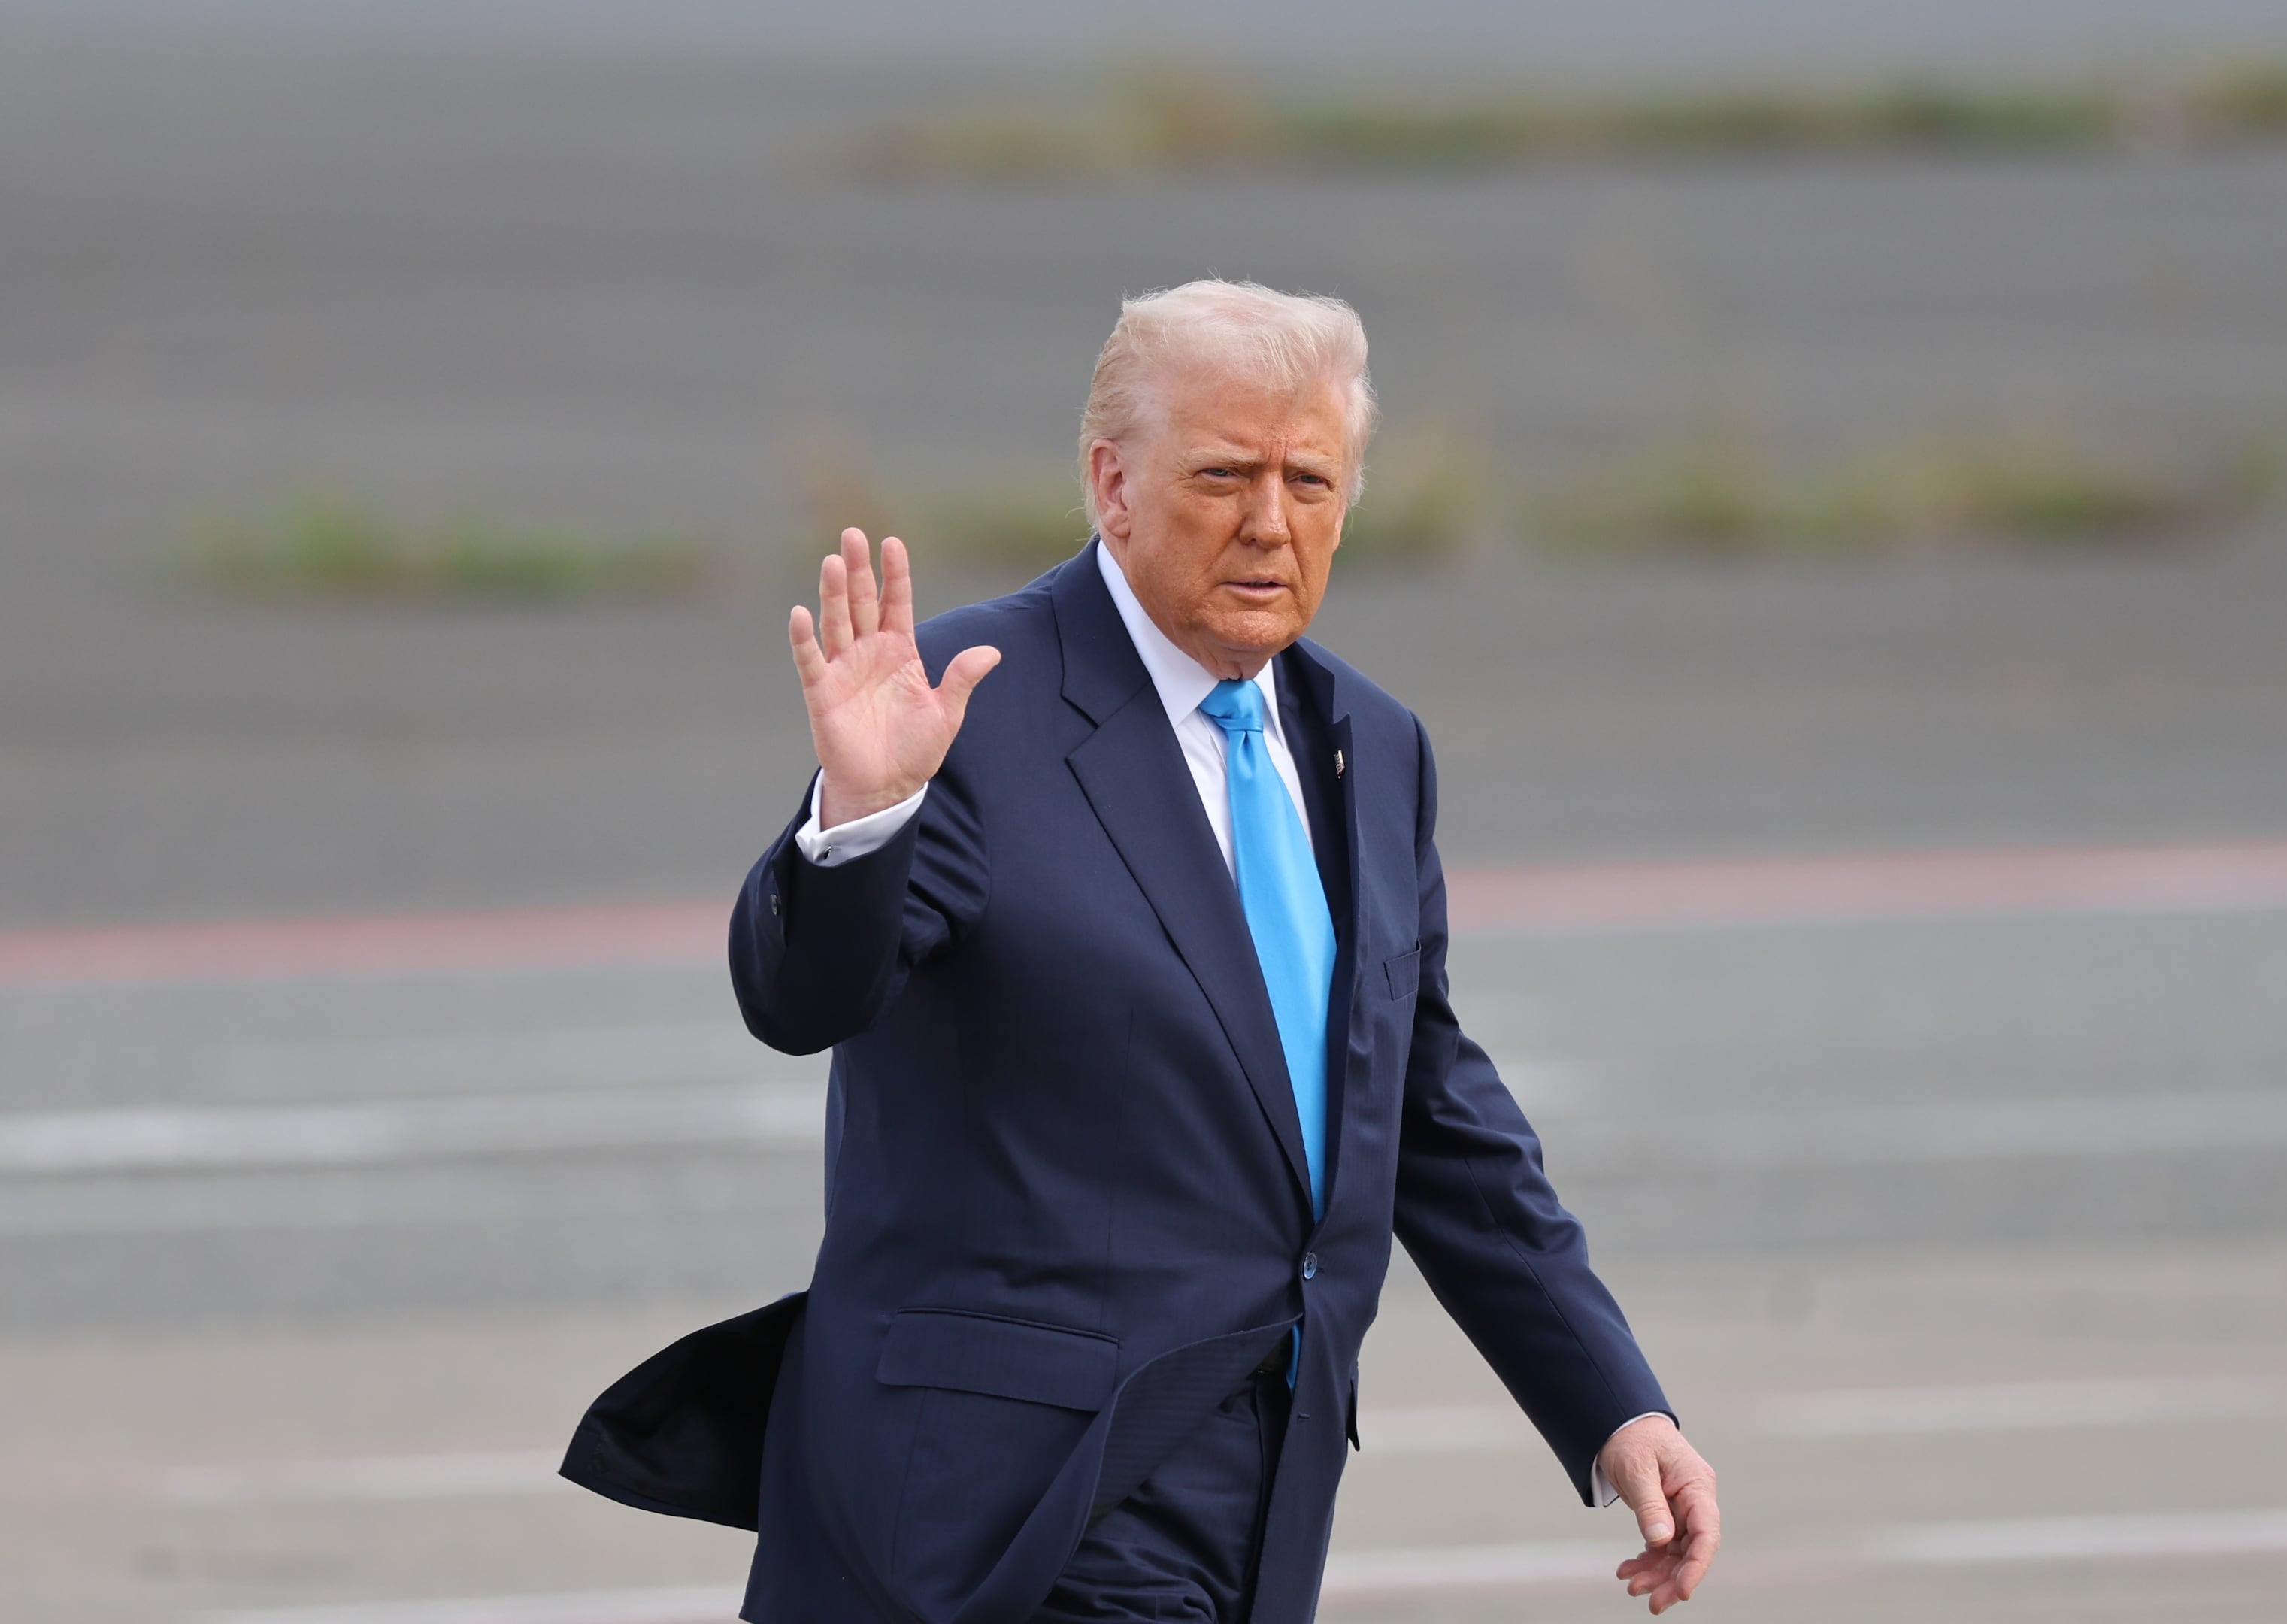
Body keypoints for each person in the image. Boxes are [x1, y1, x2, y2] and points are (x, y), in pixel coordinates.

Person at [563, 280, 1719, 1624]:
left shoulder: (1374, 748)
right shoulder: (964, 704)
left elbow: (1425, 1112)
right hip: (1004, 1506)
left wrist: (1611, 1400)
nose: (1270, 522)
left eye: (1312, 479)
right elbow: (801, 996)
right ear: (1111, 483)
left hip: (1257, 1495)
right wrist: (859, 822)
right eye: (1224, 474)